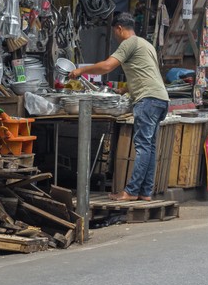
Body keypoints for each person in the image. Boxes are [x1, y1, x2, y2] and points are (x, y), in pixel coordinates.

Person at [70, 12, 169, 201]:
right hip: (160, 99)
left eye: (115, 32)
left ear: (119, 28)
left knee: (142, 147)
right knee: (149, 147)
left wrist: (81, 70)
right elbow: (145, 73)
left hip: (147, 100)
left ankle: (131, 191)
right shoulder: (146, 44)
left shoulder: (129, 43)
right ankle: (145, 192)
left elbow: (107, 67)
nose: (115, 37)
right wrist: (124, 90)